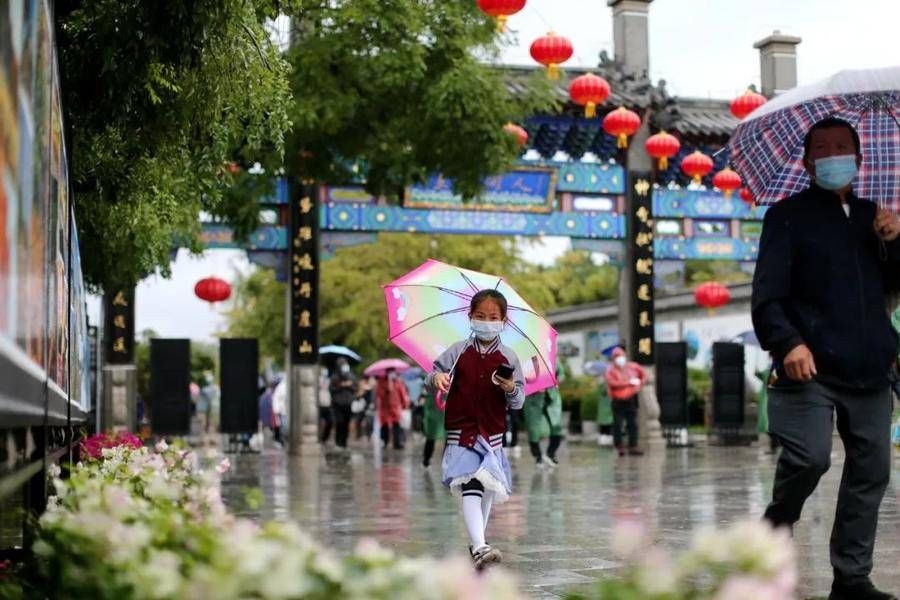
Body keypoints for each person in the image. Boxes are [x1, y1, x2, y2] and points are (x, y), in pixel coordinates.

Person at [752, 117, 900, 600]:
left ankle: (852, 578)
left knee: (872, 470)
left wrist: (895, 239)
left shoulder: (874, 217)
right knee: (809, 458)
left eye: (842, 147)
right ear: (808, 160)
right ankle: (777, 520)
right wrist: (787, 342)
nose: (833, 154)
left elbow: (895, 285)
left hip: (871, 365)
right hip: (807, 362)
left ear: (859, 160)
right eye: (823, 148)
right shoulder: (786, 216)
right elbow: (768, 296)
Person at [430, 289, 525, 569]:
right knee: (471, 483)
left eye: (493, 317)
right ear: (470, 317)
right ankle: (481, 545)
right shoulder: (458, 351)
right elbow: (432, 373)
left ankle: (476, 545)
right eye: (480, 316)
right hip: (462, 430)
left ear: (504, 321)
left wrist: (509, 388)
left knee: (487, 488)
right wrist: (437, 378)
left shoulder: (509, 358)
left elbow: (519, 400)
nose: (486, 321)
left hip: (492, 434)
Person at [603, 347, 646, 456]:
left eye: (621, 356)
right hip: (618, 401)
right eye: (617, 357)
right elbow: (612, 383)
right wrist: (628, 383)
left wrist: (639, 384)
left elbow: (644, 375)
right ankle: (619, 446)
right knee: (618, 424)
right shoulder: (610, 370)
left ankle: (633, 446)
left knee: (633, 424)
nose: (620, 359)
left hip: (631, 399)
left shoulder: (632, 367)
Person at [522, 361, 565, 467]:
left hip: (552, 397)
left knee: (557, 426)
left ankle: (551, 453)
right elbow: (522, 378)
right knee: (533, 429)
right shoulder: (527, 362)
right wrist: (535, 384)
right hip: (534, 399)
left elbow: (562, 374)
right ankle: (538, 457)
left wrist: (556, 381)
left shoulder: (553, 359)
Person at [376, 368, 410, 449]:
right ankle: (384, 441)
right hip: (385, 407)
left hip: (396, 407)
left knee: (397, 425)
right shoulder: (381, 382)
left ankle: (397, 442)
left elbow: (402, 393)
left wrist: (405, 404)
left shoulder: (398, 382)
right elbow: (379, 394)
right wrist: (387, 388)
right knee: (384, 425)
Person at [329, 358, 357, 449]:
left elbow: (355, 388)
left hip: (348, 404)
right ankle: (338, 443)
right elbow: (332, 389)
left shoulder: (351, 376)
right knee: (339, 423)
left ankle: (344, 443)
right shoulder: (335, 377)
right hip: (337, 404)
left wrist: (349, 385)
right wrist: (341, 385)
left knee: (346, 423)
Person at [421, 385, 446, 468]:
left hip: (440, 415)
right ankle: (427, 460)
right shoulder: (431, 388)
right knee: (431, 439)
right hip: (435, 416)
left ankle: (427, 460)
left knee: (432, 439)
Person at [318, 367, 333, 443]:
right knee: (318, 422)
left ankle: (325, 438)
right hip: (319, 404)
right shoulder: (317, 380)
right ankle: (319, 437)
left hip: (327, 404)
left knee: (330, 421)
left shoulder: (329, 380)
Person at [271, 375, 286, 446]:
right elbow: (276, 399)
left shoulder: (280, 387)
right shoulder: (281, 387)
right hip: (282, 411)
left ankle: (283, 439)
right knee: (283, 426)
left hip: (283, 410)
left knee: (283, 426)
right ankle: (283, 440)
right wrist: (276, 410)